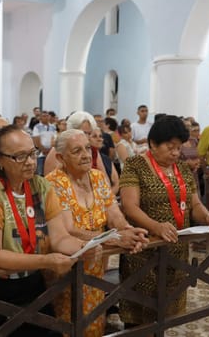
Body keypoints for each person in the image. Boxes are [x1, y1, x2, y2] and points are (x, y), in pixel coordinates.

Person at [0, 125, 97, 337]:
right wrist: (46, 261)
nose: (31, 162)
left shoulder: (41, 186)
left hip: (30, 279)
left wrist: (81, 247)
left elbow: (59, 236)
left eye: (32, 153)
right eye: (20, 156)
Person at [119, 115, 209, 326]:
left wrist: (207, 215)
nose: (176, 152)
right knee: (142, 314)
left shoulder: (182, 169)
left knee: (167, 311)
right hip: (145, 249)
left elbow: (194, 205)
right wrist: (156, 226)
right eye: (170, 147)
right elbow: (129, 206)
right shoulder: (135, 165)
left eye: (179, 147)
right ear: (153, 143)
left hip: (176, 248)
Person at [46, 129, 148, 335]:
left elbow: (113, 214)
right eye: (76, 151)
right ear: (60, 157)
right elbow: (69, 229)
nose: (85, 155)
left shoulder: (98, 177)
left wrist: (128, 230)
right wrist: (118, 238)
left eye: (87, 148)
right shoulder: (53, 182)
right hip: (68, 260)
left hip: (99, 256)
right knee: (70, 316)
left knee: (94, 312)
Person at [88, 127, 120, 195]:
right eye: (94, 136)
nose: (99, 139)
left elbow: (116, 183)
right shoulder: (85, 159)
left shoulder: (107, 159)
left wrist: (107, 197)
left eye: (100, 136)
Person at [32, 111, 57, 176]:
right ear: (40, 118)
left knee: (50, 173)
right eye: (43, 116)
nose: (46, 117)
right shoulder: (37, 127)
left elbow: (54, 138)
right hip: (41, 153)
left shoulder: (53, 127)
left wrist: (50, 150)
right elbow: (36, 139)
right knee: (40, 173)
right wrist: (43, 150)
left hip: (50, 152)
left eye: (47, 116)